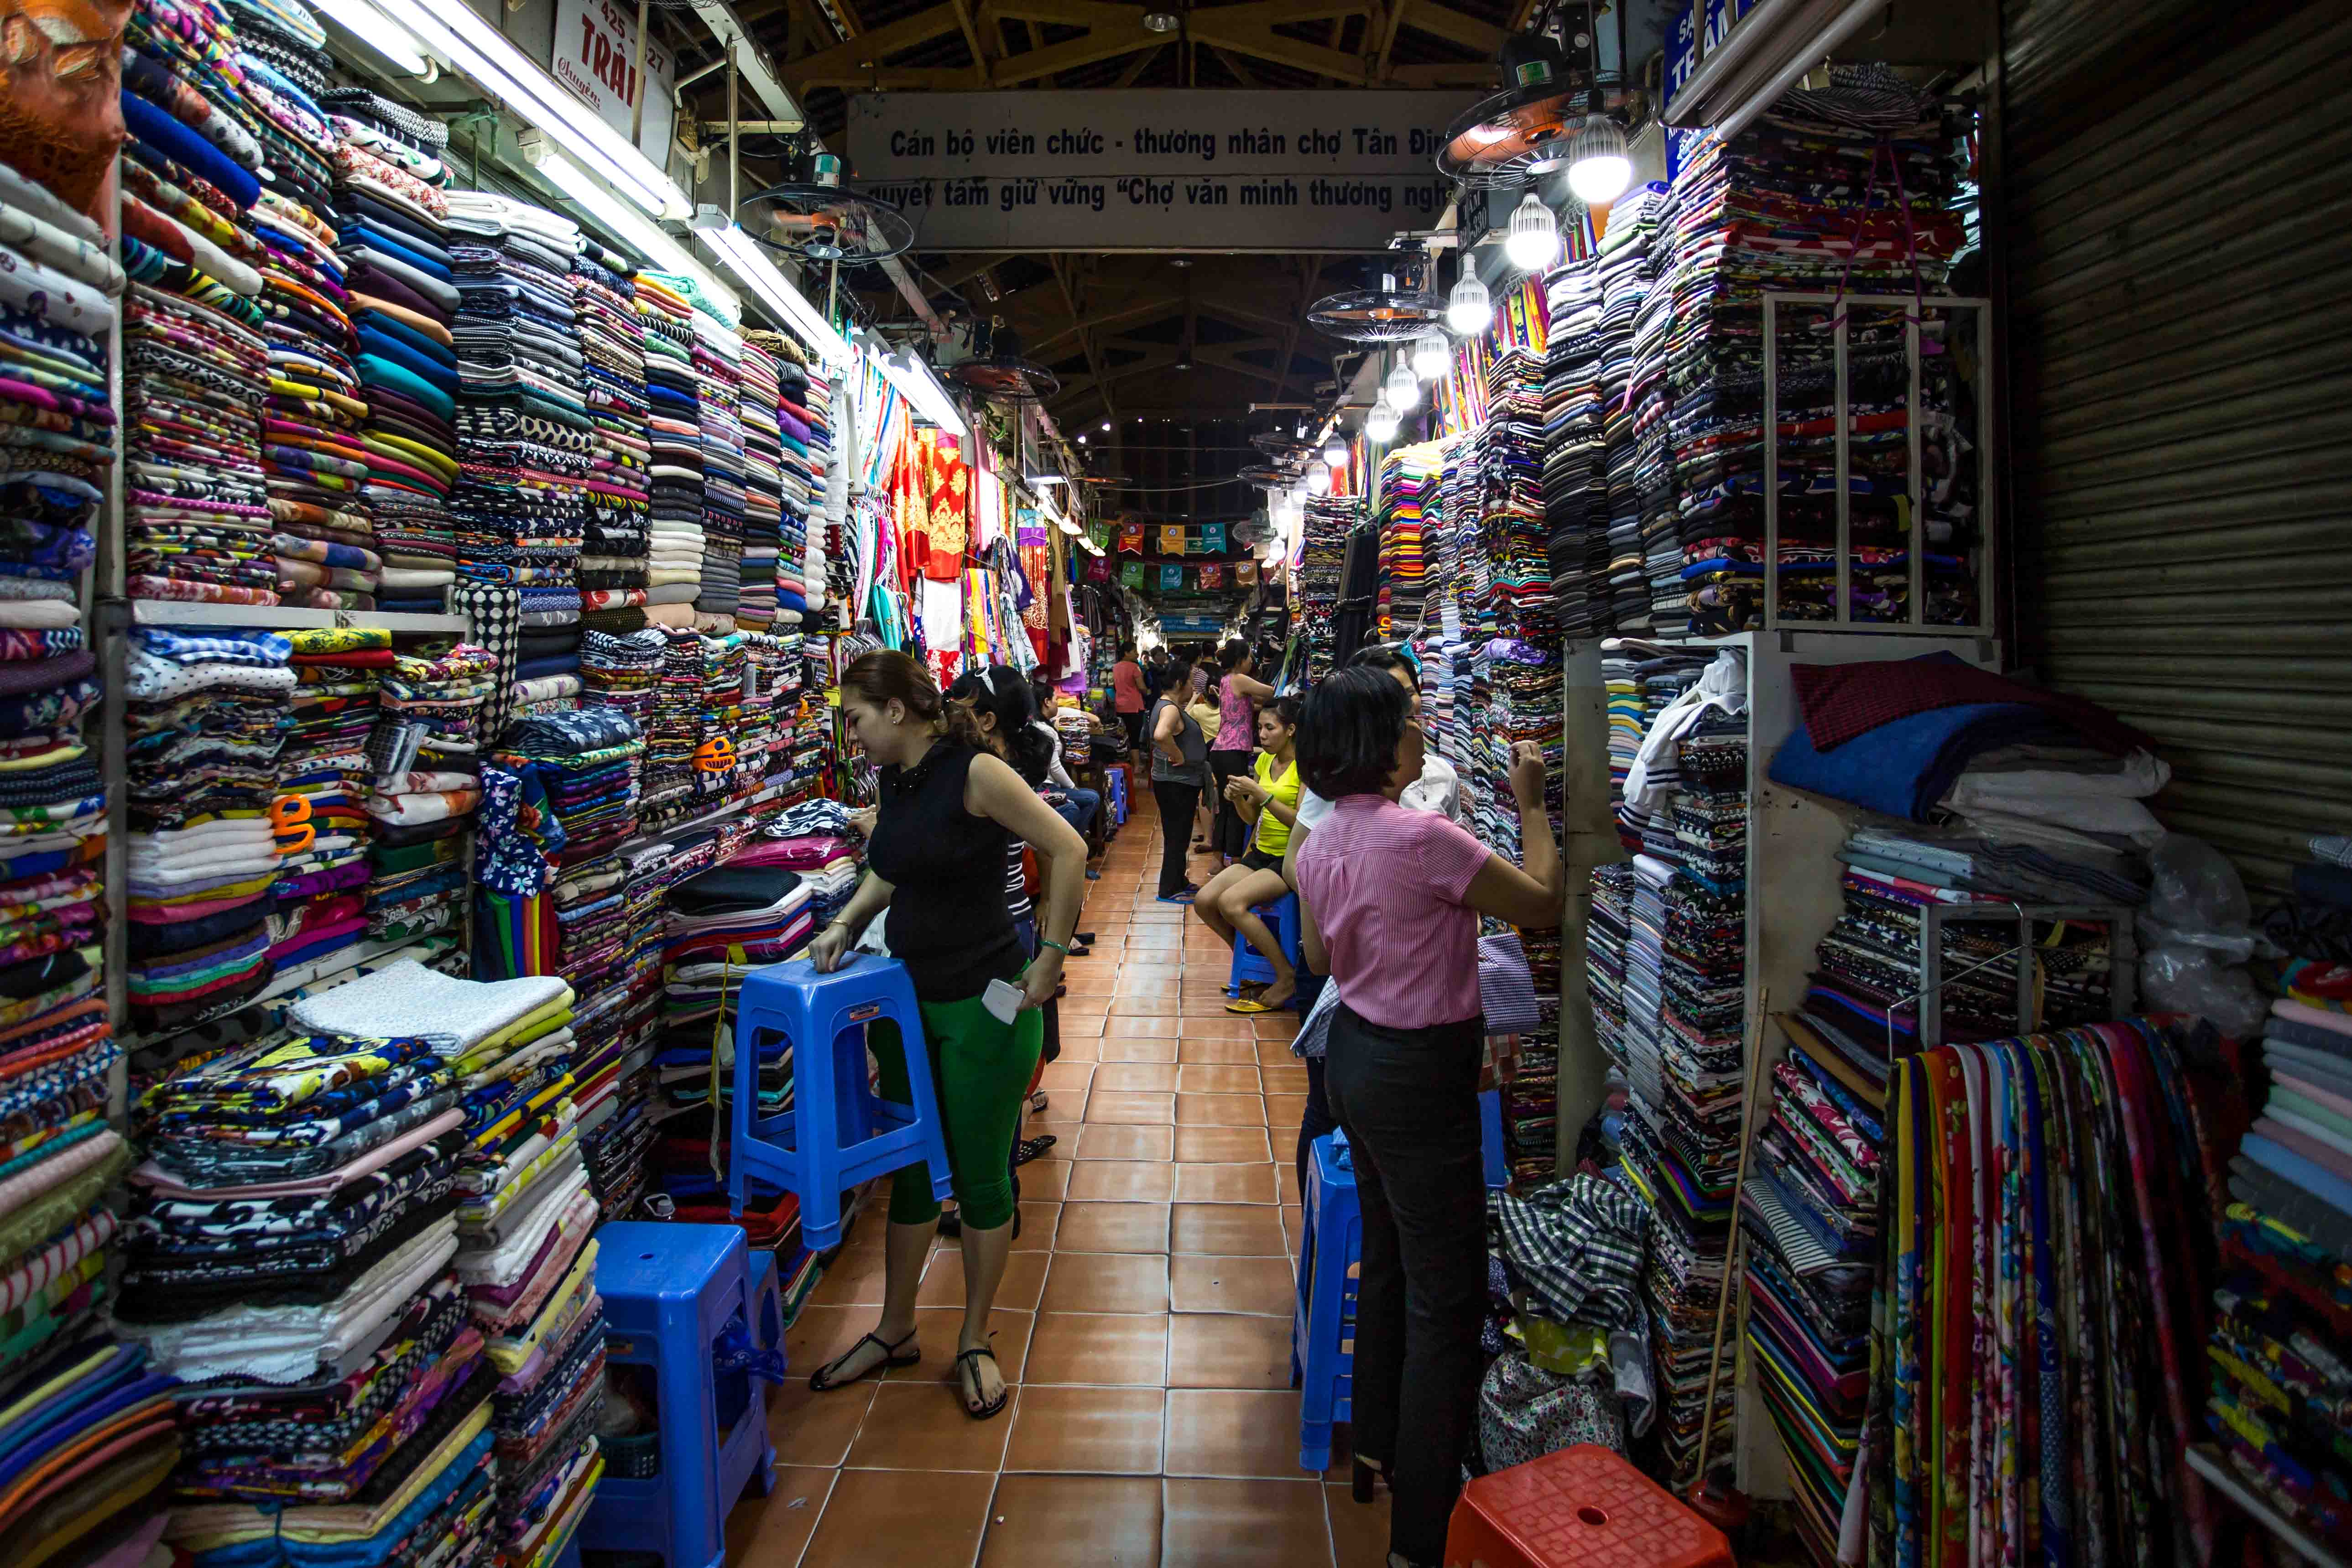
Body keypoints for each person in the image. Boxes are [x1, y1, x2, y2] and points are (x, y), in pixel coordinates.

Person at [1291, 666, 1563, 1568]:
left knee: (1393, 1255)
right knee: (1448, 1297)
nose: (1420, 733)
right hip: (1419, 1070)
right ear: (1379, 742)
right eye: (1408, 722)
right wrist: (1531, 805)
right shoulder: (1427, 838)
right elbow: (1545, 902)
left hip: (1355, 1057)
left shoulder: (1320, 841)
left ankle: (1372, 1442)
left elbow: (1318, 951)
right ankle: (1418, 1537)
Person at [803, 651, 1087, 1421]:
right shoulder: (898, 778)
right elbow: (894, 868)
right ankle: (896, 1330)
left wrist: (1051, 958)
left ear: (896, 709)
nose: (850, 733)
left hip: (983, 1009)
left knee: (981, 1178)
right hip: (908, 1003)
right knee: (912, 1174)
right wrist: (845, 919)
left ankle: (974, 1338)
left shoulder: (977, 772)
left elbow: (1069, 848)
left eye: (856, 717)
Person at [1280, 643, 1460, 1193]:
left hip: (1417, 980)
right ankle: (1322, 1215)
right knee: (1329, 1104)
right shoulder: (1338, 780)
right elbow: (1297, 864)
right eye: (1389, 704)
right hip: (1347, 959)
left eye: (1408, 699)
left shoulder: (1439, 774)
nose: (1405, 716)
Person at [1195, 695, 1304, 1012]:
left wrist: (1262, 794)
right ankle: (1248, 961)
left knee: (1231, 903)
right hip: (1259, 852)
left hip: (1287, 860)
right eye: (1259, 727)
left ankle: (1285, 975)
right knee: (1204, 902)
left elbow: (1301, 821)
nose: (1263, 734)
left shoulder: (1304, 769)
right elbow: (1250, 818)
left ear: (1291, 730)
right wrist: (1239, 798)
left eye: (1270, 728)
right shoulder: (1264, 762)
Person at [1146, 657, 1208, 903]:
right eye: (1191, 682)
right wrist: (1179, 755)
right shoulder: (1169, 709)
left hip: (1177, 782)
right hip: (1175, 783)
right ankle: (1169, 890)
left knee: (1180, 833)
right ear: (1181, 683)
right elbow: (1162, 735)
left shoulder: (1168, 704)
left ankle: (1178, 880)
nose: (1194, 687)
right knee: (1177, 835)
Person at [1209, 640, 1275, 861]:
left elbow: (1245, 707)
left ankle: (1218, 860)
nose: (1251, 662)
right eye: (1249, 658)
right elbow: (1271, 692)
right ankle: (1236, 859)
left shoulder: (1226, 681)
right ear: (1240, 660)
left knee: (1225, 805)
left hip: (1221, 749)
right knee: (1239, 806)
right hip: (1233, 750)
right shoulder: (1239, 679)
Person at [1111, 641, 1146, 755]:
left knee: (1123, 736)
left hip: (1120, 706)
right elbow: (1142, 687)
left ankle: (1128, 761)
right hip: (1134, 707)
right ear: (1126, 653)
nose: (1137, 654)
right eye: (1134, 652)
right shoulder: (1135, 667)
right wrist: (1148, 692)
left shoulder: (1115, 667)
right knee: (1134, 737)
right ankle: (1136, 766)